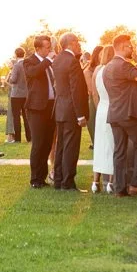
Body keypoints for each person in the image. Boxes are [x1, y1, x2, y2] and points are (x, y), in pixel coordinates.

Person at [103, 34, 137, 196]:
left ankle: (120, 188)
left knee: (119, 151)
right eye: (130, 46)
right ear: (123, 47)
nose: (132, 48)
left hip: (114, 114)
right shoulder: (123, 65)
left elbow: (125, 86)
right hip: (127, 115)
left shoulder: (108, 66)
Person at [52, 32, 89, 191]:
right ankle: (68, 182)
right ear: (71, 43)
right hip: (71, 110)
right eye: (78, 42)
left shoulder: (57, 60)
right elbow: (76, 90)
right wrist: (81, 114)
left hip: (60, 108)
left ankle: (58, 179)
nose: (79, 45)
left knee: (61, 146)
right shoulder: (72, 62)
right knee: (70, 147)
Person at [23, 35, 58, 189]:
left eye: (50, 47)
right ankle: (35, 179)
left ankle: (42, 177)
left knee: (47, 143)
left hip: (51, 107)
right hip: (36, 108)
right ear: (38, 48)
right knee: (38, 143)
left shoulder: (48, 63)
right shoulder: (29, 61)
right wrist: (49, 60)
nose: (49, 49)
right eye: (46, 47)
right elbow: (34, 73)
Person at [90, 45, 115, 193]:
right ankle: (110, 182)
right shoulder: (110, 71)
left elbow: (94, 94)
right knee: (112, 144)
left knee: (99, 144)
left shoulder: (96, 71)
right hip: (111, 107)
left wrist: (100, 106)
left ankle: (95, 182)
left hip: (101, 108)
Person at [6, 48, 29, 143]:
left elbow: (13, 79)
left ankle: (18, 139)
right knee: (26, 117)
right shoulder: (28, 64)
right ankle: (29, 138)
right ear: (24, 54)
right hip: (26, 94)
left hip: (16, 95)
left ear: (16, 54)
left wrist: (10, 78)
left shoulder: (16, 65)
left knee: (16, 117)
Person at [85, 45, 103, 148]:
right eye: (101, 54)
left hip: (104, 101)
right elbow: (92, 90)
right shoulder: (88, 71)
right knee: (95, 129)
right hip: (94, 102)